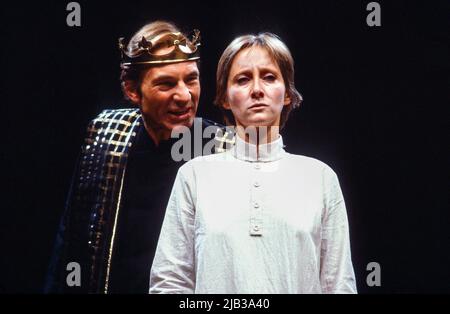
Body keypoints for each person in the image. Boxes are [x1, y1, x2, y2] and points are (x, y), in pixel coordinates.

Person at [149, 32, 357, 293]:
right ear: (225, 97)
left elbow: (338, 284)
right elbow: (170, 282)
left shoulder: (319, 178)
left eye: (269, 77)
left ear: (288, 94)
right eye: (243, 79)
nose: (257, 89)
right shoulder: (194, 176)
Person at [45, 20, 230, 294]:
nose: (184, 95)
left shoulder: (223, 148)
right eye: (166, 84)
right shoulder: (106, 134)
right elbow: (71, 236)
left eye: (191, 79)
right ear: (133, 91)